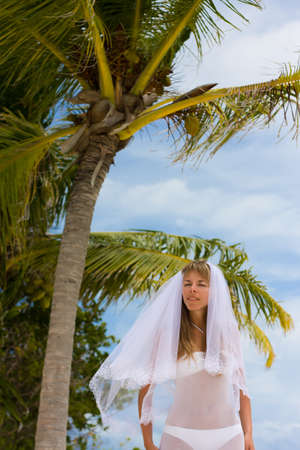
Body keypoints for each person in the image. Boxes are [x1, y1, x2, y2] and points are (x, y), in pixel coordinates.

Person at [89, 260, 255, 450]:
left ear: (214, 290)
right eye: (187, 284)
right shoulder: (168, 334)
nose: (192, 289)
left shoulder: (228, 332)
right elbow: (146, 389)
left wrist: (248, 433)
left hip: (229, 436)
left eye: (201, 284)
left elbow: (242, 388)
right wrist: (148, 441)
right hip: (180, 436)